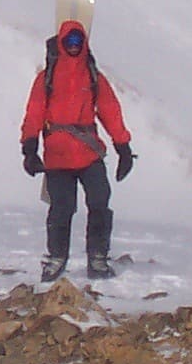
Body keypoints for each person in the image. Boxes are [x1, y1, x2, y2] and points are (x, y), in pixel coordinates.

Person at [20, 19, 133, 281]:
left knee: (100, 202)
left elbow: (109, 111)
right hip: (58, 157)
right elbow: (34, 113)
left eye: (78, 41)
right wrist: (29, 147)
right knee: (61, 208)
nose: (73, 46)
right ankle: (57, 258)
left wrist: (123, 146)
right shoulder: (46, 77)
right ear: (61, 42)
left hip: (88, 153)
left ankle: (98, 258)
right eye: (69, 41)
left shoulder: (92, 75)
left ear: (84, 43)